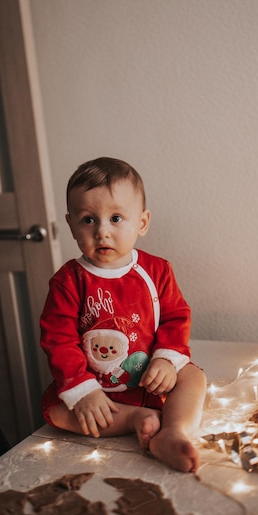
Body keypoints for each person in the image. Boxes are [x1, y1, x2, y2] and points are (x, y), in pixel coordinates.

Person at [40, 157, 206, 473]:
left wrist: (166, 360)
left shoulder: (156, 270)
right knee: (56, 412)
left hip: (150, 379)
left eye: (116, 218)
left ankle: (173, 432)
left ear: (141, 223)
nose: (102, 231)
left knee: (194, 377)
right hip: (99, 389)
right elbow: (58, 339)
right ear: (72, 223)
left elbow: (175, 315)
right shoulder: (68, 281)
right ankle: (133, 419)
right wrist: (83, 390)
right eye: (88, 220)